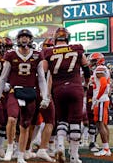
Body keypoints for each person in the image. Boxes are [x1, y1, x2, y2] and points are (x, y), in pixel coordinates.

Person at [0, 29, 50, 163]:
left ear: (31, 39)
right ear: (18, 39)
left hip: (30, 92)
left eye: (26, 36)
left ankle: (20, 154)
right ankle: (9, 147)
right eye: (22, 36)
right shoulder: (10, 54)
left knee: (25, 125)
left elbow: (42, 78)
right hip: (15, 91)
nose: (24, 39)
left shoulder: (37, 55)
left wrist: (45, 96)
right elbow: (3, 78)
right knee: (12, 119)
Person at [44, 27, 91, 163]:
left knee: (62, 120)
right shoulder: (77, 49)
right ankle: (74, 156)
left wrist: (46, 93)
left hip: (58, 90)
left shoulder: (48, 52)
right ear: (67, 38)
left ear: (55, 39)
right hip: (75, 87)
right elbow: (87, 70)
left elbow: (43, 73)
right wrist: (86, 85)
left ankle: (59, 146)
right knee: (75, 122)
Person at [89, 52, 112, 157]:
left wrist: (97, 98)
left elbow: (103, 85)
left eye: (94, 60)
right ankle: (106, 148)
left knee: (100, 124)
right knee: (103, 124)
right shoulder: (102, 69)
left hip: (101, 100)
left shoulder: (100, 69)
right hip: (103, 99)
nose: (92, 63)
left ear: (99, 60)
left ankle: (105, 148)